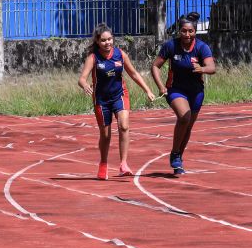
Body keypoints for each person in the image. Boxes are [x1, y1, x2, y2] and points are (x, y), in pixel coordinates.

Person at [78, 23, 155, 179]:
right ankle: (103, 163)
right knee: (105, 136)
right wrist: (85, 85)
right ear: (98, 42)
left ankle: (123, 164)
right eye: (104, 40)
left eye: (110, 39)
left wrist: (147, 90)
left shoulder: (120, 54)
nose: (108, 43)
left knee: (124, 126)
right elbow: (82, 78)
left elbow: (133, 74)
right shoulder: (93, 58)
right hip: (101, 100)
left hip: (119, 95)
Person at [151, 12, 216, 175]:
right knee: (184, 117)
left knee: (188, 126)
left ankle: (179, 156)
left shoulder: (202, 47)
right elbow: (155, 66)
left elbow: (212, 67)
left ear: (195, 32)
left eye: (190, 31)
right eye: (184, 31)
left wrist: (203, 69)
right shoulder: (171, 46)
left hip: (196, 92)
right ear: (179, 31)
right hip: (175, 89)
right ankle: (174, 152)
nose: (187, 34)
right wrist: (161, 86)